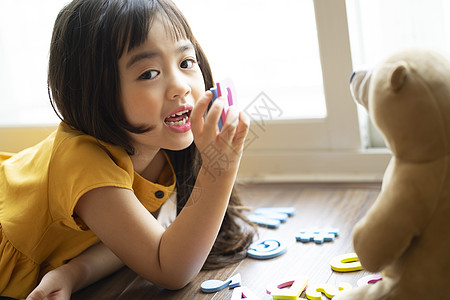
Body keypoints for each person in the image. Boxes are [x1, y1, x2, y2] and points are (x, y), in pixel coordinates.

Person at [0, 0, 256, 298]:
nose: (181, 87)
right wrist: (218, 169)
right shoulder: (84, 162)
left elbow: (134, 243)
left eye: (186, 63)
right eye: (149, 74)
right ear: (94, 91)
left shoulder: (158, 151)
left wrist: (73, 272)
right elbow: (169, 269)